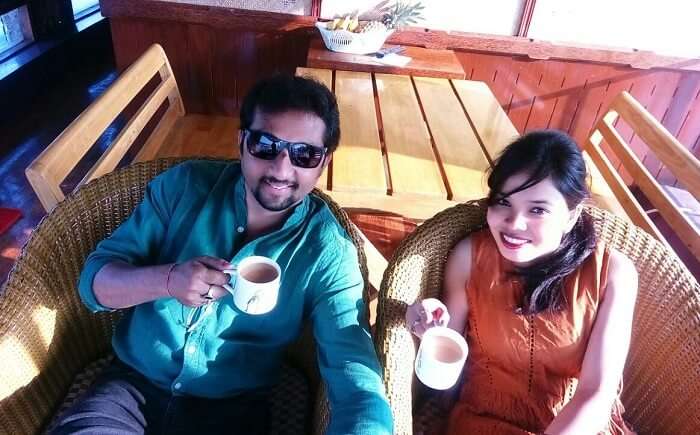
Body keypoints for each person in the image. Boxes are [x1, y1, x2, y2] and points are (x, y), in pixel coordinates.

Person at [51, 74, 393, 435]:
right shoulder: (183, 187)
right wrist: (168, 280)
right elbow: (93, 284)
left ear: (323, 163)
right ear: (241, 142)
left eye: (304, 154)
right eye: (265, 144)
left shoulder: (327, 251)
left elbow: (352, 366)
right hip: (130, 389)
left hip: (233, 408)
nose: (281, 169)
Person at [406, 130, 638, 435]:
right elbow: (445, 344)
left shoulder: (611, 275)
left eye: (537, 210)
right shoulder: (469, 258)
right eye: (503, 202)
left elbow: (596, 392)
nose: (514, 224)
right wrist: (422, 319)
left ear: (571, 215)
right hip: (481, 422)